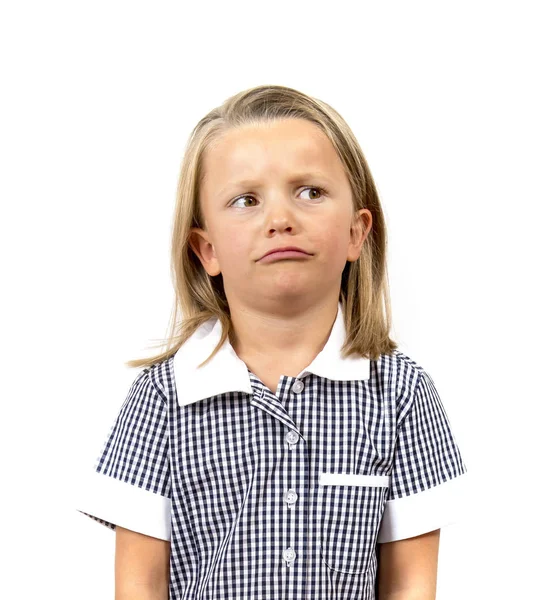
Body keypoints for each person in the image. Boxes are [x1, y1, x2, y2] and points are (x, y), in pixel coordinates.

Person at [74, 84, 469, 600]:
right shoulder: (161, 400)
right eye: (246, 200)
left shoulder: (400, 394)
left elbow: (411, 583)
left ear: (357, 231)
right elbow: (139, 584)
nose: (280, 218)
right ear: (206, 249)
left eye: (310, 192)